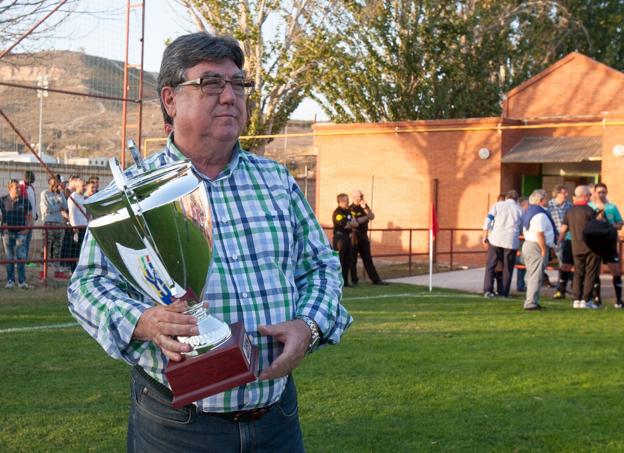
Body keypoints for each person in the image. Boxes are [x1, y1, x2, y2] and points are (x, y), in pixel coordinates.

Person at [68, 32, 352, 453]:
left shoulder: (276, 182)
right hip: (176, 427)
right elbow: (86, 287)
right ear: (170, 99)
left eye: (238, 84)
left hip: (276, 419)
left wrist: (308, 326)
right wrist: (144, 321)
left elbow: (321, 266)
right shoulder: (136, 190)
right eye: (210, 83)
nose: (229, 96)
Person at [559, 185, 601, 309]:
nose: (590, 197)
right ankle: (586, 300)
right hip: (591, 247)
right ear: (585, 196)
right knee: (590, 273)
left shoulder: (570, 211)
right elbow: (596, 229)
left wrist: (557, 242)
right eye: (589, 195)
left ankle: (576, 299)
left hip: (575, 247)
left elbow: (563, 229)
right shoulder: (590, 211)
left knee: (578, 273)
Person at [482, 190, 523, 298]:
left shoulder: (497, 205)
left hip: (495, 239)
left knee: (491, 265)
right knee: (507, 268)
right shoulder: (519, 209)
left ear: (507, 198)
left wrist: (485, 235)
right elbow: (522, 227)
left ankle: (488, 290)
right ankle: (504, 292)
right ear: (517, 199)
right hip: (511, 241)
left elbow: (488, 220)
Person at [588, 182, 623, 308]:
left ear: (607, 192)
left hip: (609, 243)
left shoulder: (612, 207)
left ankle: (619, 300)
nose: (601, 194)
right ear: (594, 193)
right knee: (595, 270)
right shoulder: (589, 206)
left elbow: (620, 223)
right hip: (596, 243)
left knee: (616, 270)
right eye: (599, 192)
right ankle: (597, 298)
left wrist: (609, 225)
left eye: (604, 192)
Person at [521, 189, 556, 311]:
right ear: (541, 200)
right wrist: (543, 249)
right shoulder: (540, 214)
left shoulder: (529, 211)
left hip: (529, 244)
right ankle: (531, 302)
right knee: (536, 275)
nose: (548, 201)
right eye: (546, 198)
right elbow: (539, 233)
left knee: (531, 273)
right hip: (536, 245)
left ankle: (531, 299)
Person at [348, 190, 388, 286]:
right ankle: (354, 280)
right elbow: (355, 221)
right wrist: (366, 217)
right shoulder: (350, 209)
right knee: (353, 260)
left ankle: (376, 280)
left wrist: (365, 208)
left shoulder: (364, 207)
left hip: (363, 235)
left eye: (362, 196)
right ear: (354, 197)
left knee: (367, 259)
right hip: (354, 235)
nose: (361, 198)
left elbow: (372, 216)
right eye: (359, 196)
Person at [1, 180, 33, 289]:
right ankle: (10, 280)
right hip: (7, 233)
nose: (19, 190)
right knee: (9, 258)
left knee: (21, 258)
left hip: (21, 233)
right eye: (17, 188)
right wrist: (2, 223)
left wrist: (27, 229)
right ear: (10, 188)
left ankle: (22, 281)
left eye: (20, 188)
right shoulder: (2, 200)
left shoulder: (25, 201)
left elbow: (30, 217)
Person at [548, 184, 573, 299]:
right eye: (564, 192)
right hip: (553, 237)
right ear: (557, 193)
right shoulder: (549, 205)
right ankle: (562, 286)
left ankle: (562, 286)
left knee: (564, 262)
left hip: (567, 238)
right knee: (562, 262)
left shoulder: (569, 206)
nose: (566, 194)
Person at [40, 176, 68, 279]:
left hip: (59, 223)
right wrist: (58, 207)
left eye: (58, 183)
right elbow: (48, 209)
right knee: (46, 248)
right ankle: (43, 270)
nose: (56, 185)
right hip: (49, 223)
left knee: (58, 248)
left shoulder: (60, 194)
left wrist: (60, 195)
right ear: (49, 183)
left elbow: (65, 207)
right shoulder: (45, 193)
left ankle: (57, 270)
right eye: (54, 183)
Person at [333, 193, 357, 286]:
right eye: (347, 200)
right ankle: (337, 281)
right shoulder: (337, 212)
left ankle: (345, 281)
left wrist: (351, 223)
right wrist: (351, 223)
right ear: (341, 201)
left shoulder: (348, 212)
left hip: (347, 237)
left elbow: (356, 224)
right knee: (340, 260)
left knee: (348, 259)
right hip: (340, 238)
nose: (348, 202)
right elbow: (345, 225)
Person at [67, 176, 88, 272]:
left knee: (83, 249)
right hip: (77, 227)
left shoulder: (83, 197)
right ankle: (73, 270)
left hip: (85, 226)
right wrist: (74, 227)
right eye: (83, 186)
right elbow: (72, 214)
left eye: (85, 185)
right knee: (76, 249)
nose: (85, 188)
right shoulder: (73, 197)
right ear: (77, 186)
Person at [19, 170, 37, 265]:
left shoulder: (31, 187)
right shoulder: (21, 187)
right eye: (30, 180)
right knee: (23, 240)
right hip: (25, 218)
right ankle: (22, 260)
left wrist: (35, 213)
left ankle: (25, 259)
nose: (31, 182)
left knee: (28, 240)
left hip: (31, 218)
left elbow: (33, 202)